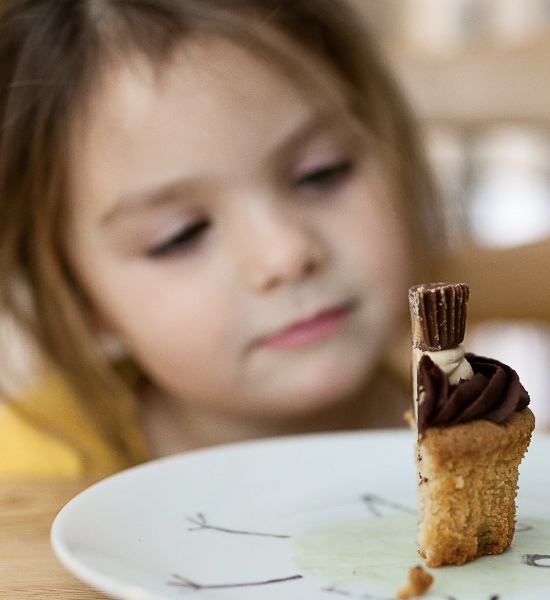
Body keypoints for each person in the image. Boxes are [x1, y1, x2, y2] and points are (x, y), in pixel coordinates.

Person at [0, 0, 443, 477]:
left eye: (322, 173)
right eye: (181, 236)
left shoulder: (477, 424)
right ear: (77, 296)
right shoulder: (23, 477)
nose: (285, 254)